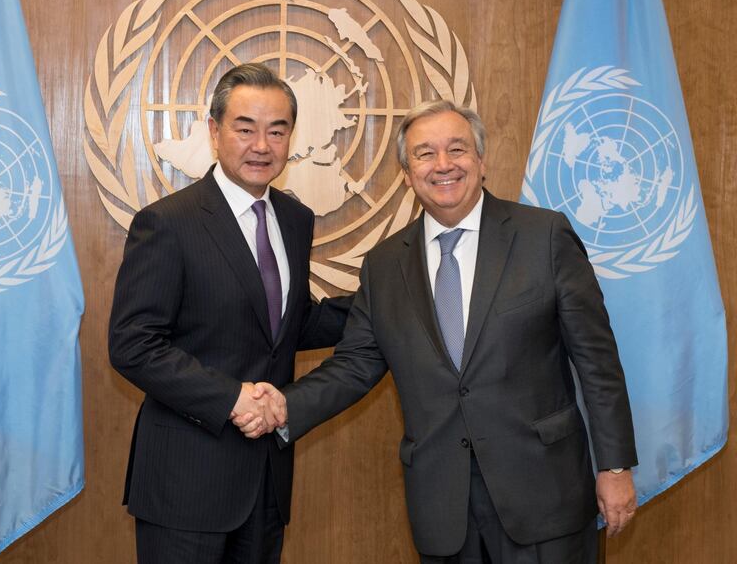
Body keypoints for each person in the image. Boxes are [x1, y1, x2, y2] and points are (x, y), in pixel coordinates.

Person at [236, 99, 638, 563]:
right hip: (443, 507)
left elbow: (598, 361)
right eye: (425, 154)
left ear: (481, 160)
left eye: (457, 149)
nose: (443, 165)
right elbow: (356, 364)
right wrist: (286, 405)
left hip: (545, 495)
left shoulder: (543, 237)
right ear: (408, 173)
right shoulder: (385, 265)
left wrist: (614, 466)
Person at [108, 63, 351, 564]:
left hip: (266, 481)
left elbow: (286, 324)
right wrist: (231, 397)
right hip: (185, 483)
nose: (261, 145)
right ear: (215, 132)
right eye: (245, 128)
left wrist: (392, 303)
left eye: (277, 130)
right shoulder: (168, 222)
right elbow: (133, 344)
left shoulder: (294, 219)